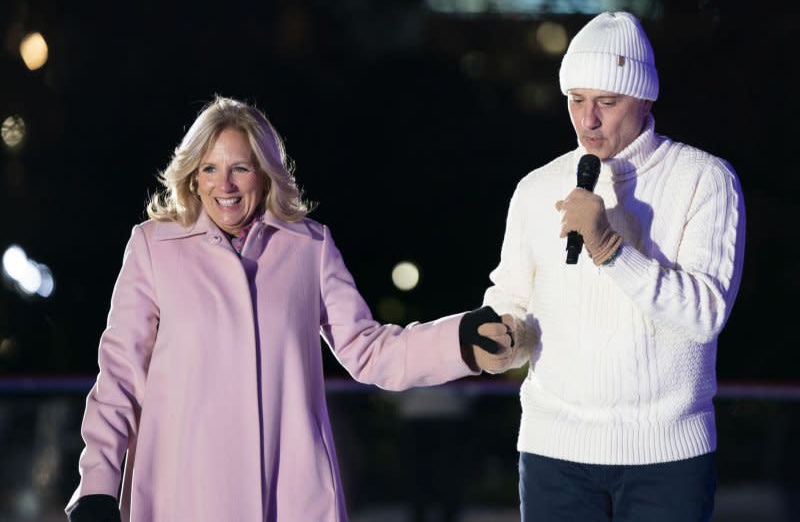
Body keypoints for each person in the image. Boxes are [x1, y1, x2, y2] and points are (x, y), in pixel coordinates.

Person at [64, 96, 524, 522]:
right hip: (181, 492)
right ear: (192, 176)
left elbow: (368, 350)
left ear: (264, 173)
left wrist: (458, 340)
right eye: (209, 168)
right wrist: (97, 484)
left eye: (239, 168)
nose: (224, 184)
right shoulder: (153, 248)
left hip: (289, 495)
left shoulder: (309, 246)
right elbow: (120, 378)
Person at [481, 11, 746, 521]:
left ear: (645, 99)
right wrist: (505, 335)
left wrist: (608, 248)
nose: (588, 120)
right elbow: (510, 297)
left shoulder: (705, 179)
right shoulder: (537, 187)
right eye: (576, 101)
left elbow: (705, 315)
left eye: (607, 101)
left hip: (666, 457)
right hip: (553, 452)